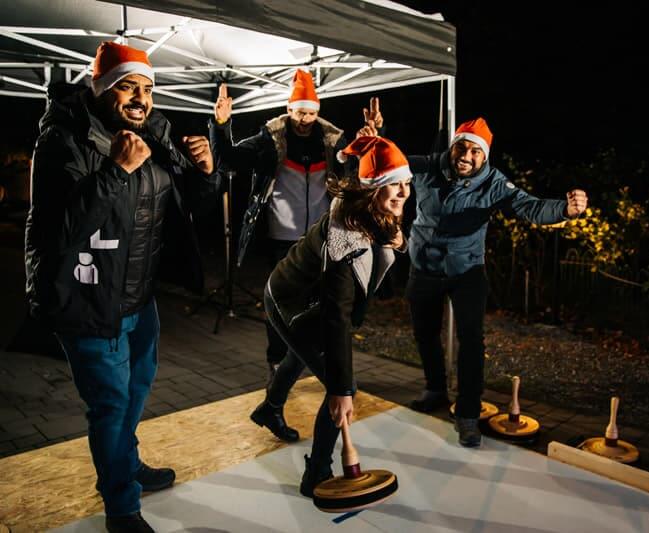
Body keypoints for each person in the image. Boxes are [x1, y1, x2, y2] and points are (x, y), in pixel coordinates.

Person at [25, 42, 219, 533]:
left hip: (139, 297)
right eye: (128, 86)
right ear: (101, 88)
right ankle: (121, 508)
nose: (141, 98)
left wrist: (206, 173)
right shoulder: (63, 139)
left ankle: (123, 464)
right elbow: (60, 231)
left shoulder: (155, 132)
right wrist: (115, 171)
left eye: (148, 89)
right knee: (110, 405)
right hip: (89, 298)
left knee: (134, 392)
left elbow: (190, 204)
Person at [358, 113, 588, 448]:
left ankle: (467, 414)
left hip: (467, 270)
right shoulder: (428, 166)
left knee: (471, 340)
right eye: (461, 148)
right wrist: (377, 138)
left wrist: (565, 211)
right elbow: (388, 163)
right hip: (424, 265)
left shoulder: (494, 182)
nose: (466, 156)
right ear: (452, 148)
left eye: (475, 152)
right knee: (424, 334)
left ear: (485, 156)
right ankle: (435, 389)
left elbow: (530, 208)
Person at [210, 71, 383, 442]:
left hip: (321, 240)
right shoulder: (270, 140)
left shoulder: (334, 142)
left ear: (316, 112)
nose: (304, 119)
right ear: (288, 109)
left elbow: (366, 171)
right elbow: (227, 159)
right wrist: (221, 124)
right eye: (298, 112)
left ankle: (275, 399)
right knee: (285, 314)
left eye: (309, 113)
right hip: (280, 238)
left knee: (315, 318)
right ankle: (281, 372)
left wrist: (371, 140)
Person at [263, 135, 410, 496]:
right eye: (394, 184)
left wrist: (400, 243)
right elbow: (336, 316)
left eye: (407, 183)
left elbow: (387, 263)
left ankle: (270, 407)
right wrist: (342, 388)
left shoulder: (375, 214)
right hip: (290, 301)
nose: (404, 192)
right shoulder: (346, 237)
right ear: (372, 188)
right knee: (339, 385)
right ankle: (316, 473)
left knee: (301, 357)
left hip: (308, 299)